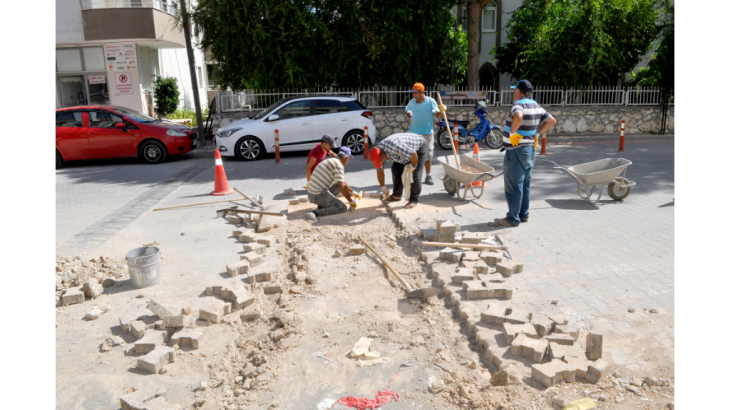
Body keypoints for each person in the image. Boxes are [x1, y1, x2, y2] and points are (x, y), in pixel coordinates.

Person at [495, 80, 557, 227]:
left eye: (514, 91)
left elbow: (518, 116)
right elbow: (552, 121)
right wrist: (537, 135)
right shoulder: (536, 106)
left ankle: (512, 219)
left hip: (516, 151)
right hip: (530, 151)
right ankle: (523, 215)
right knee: (525, 184)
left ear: (518, 92)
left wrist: (512, 133)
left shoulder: (519, 104)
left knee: (514, 186)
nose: (513, 94)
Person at [368, 133, 427, 210]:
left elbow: (413, 154)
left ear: (383, 155)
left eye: (381, 161)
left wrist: (412, 167)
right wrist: (383, 187)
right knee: (395, 169)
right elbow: (380, 170)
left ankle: (413, 200)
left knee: (414, 175)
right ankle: (397, 195)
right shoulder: (378, 152)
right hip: (403, 154)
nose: (381, 163)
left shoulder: (394, 146)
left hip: (418, 148)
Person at [305, 147, 360, 222]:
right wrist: (351, 201)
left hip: (314, 193)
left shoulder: (331, 160)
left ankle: (322, 205)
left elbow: (342, 183)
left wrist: (353, 193)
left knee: (339, 182)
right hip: (317, 195)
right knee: (342, 207)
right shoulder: (339, 166)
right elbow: (342, 186)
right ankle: (314, 213)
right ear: (346, 158)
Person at [405, 83, 445, 185]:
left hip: (427, 134)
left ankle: (428, 176)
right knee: (413, 156)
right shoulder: (412, 102)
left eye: (415, 92)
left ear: (422, 92)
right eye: (413, 92)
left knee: (428, 156)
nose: (414, 95)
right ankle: (413, 177)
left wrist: (443, 111)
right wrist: (409, 114)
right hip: (413, 135)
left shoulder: (430, 102)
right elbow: (407, 110)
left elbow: (438, 115)